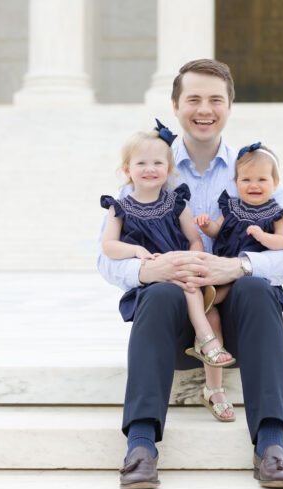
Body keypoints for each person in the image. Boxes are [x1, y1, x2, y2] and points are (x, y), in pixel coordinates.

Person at [97, 59, 283, 489]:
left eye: (215, 99)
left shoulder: (255, 171)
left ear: (230, 105)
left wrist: (237, 264)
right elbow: (105, 257)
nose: (204, 109)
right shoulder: (150, 165)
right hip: (174, 325)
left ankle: (270, 444)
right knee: (157, 293)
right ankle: (140, 445)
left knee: (254, 286)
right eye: (193, 99)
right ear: (175, 106)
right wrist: (148, 267)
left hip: (240, 325)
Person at [100, 120, 236, 433]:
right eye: (141, 163)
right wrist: (137, 253)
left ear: (170, 169)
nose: (150, 168)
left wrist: (192, 258)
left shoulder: (176, 202)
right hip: (156, 281)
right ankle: (205, 340)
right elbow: (109, 246)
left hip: (185, 269)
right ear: (127, 169)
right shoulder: (119, 207)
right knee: (181, 285)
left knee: (209, 308)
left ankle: (214, 389)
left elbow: (194, 239)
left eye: (158, 163)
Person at [194, 142, 283, 311]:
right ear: (236, 182)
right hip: (222, 266)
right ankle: (204, 308)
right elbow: (217, 230)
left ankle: (207, 304)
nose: (254, 185)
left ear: (275, 182)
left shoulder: (277, 213)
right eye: (246, 179)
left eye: (262, 180)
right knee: (209, 286)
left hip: (252, 273)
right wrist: (207, 225)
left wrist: (263, 236)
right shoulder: (232, 207)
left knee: (228, 292)